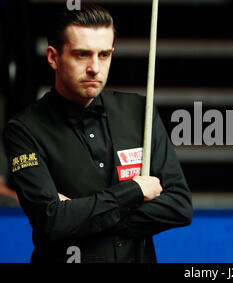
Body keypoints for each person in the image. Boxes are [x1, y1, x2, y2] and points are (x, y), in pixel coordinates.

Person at [2, 3, 192, 263]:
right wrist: (134, 192)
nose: (95, 67)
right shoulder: (23, 130)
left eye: (104, 55)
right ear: (53, 57)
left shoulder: (139, 110)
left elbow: (179, 206)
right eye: (82, 55)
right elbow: (51, 221)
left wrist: (78, 215)